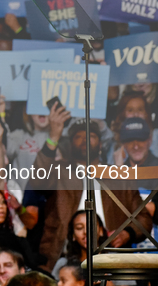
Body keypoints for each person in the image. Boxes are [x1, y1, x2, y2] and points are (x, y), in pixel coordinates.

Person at [29, 105, 153, 272]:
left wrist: (127, 234)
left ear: (100, 144)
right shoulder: (60, 170)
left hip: (111, 256)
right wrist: (53, 136)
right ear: (71, 144)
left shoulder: (120, 176)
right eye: (78, 137)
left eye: (91, 136)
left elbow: (143, 218)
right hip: (61, 257)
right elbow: (37, 180)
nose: (85, 139)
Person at [51, 210, 106, 279]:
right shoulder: (63, 263)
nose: (86, 232)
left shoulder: (116, 260)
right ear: (73, 236)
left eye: (91, 226)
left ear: (101, 231)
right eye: (79, 228)